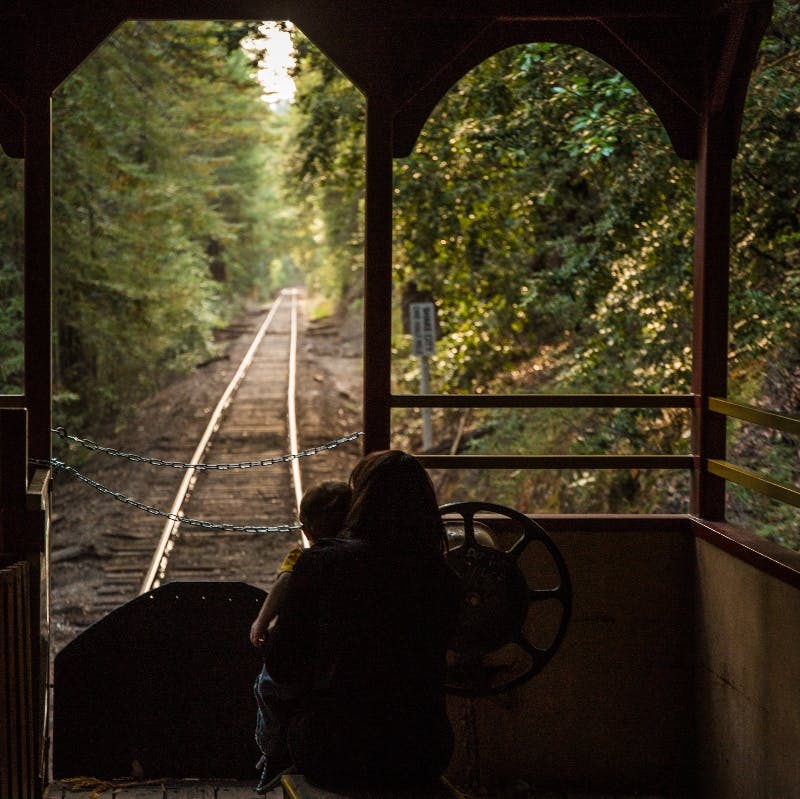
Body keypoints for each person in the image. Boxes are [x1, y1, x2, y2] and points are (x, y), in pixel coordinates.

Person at [263, 450, 463, 790]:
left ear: (361, 502)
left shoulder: (323, 562)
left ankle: (270, 770)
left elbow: (282, 664)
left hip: (335, 753)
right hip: (423, 755)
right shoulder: (442, 576)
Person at [250, 480, 352, 794]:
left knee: (266, 688)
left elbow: (282, 585)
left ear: (305, 529)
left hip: (307, 662)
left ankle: (274, 753)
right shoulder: (363, 559)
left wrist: (261, 622)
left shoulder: (303, 558)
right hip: (343, 667)